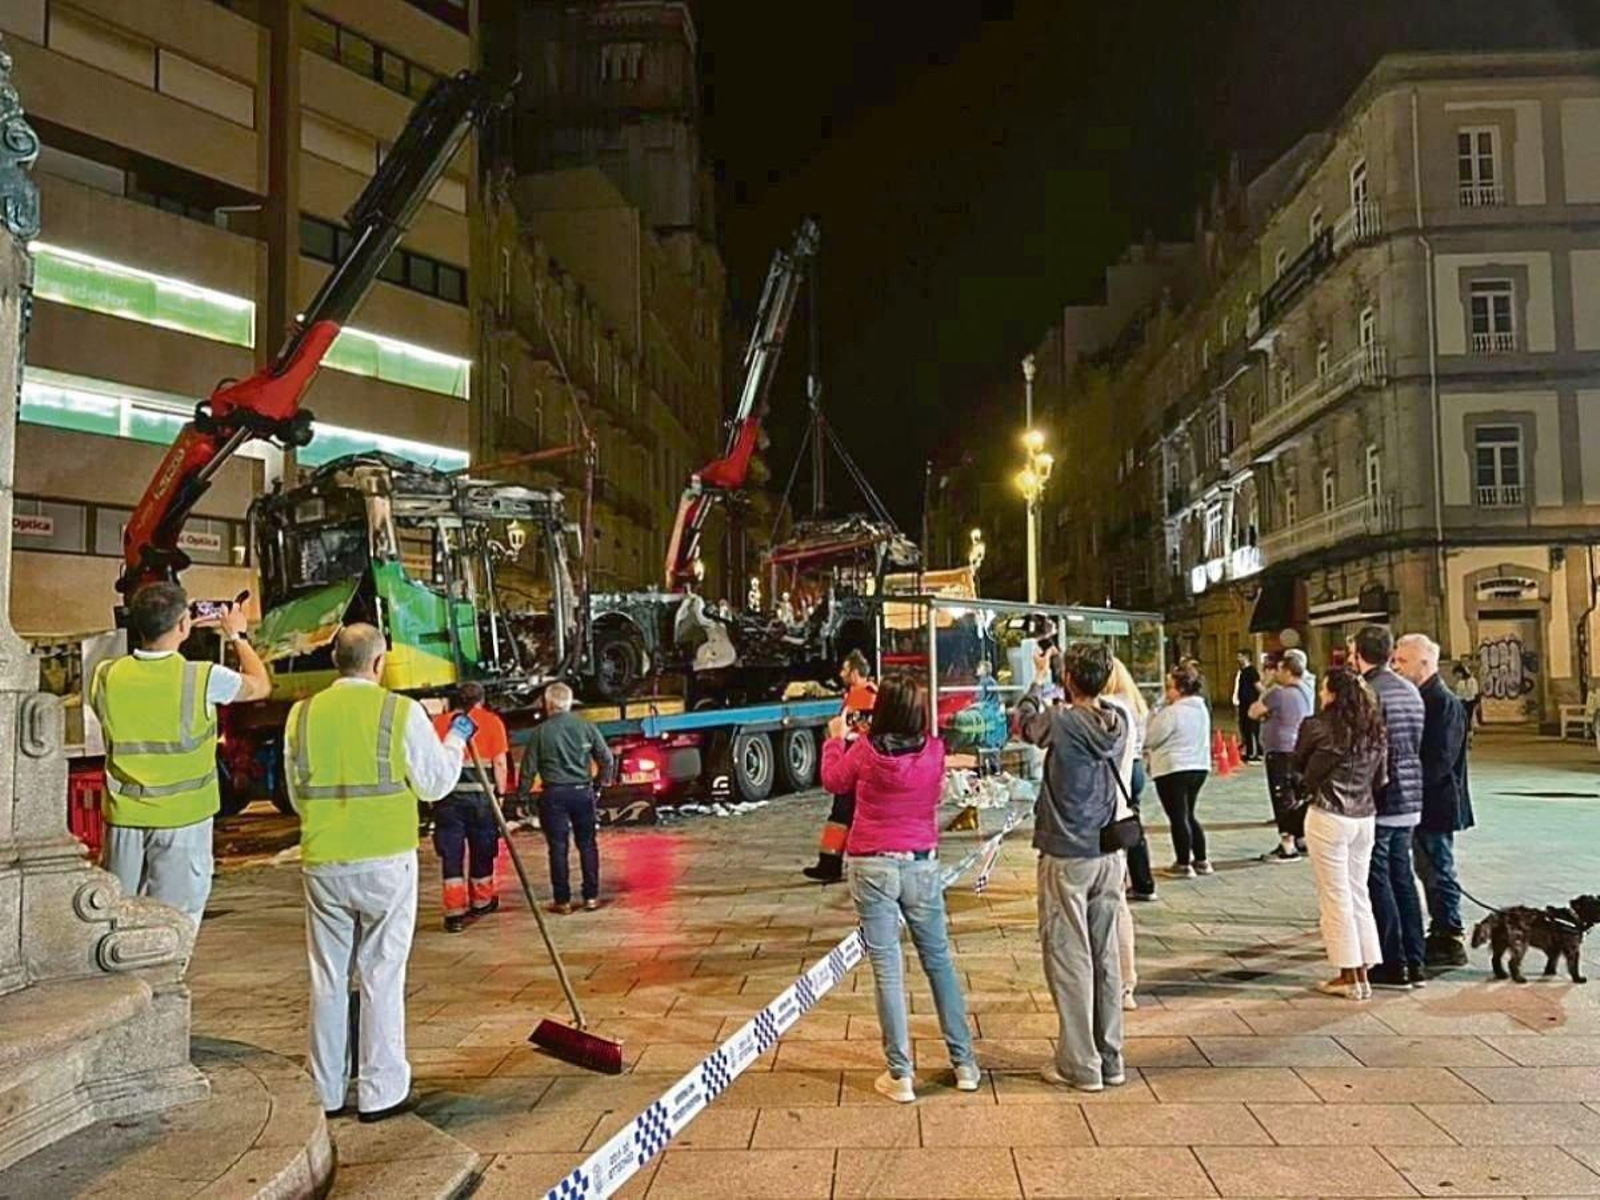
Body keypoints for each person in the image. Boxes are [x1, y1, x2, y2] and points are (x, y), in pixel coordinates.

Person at [285, 624, 467, 1122]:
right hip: (386, 860)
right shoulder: (399, 712)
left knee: (327, 978)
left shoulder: (300, 715)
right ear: (379, 662)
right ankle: (381, 1090)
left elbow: (298, 791)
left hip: (324, 860)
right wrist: (455, 742)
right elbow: (433, 785)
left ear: (335, 661)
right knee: (382, 973)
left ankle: (325, 1090)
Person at [820, 673, 979, 1103]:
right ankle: (964, 1064)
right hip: (922, 865)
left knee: (888, 971)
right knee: (939, 963)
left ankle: (901, 1075)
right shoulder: (935, 751)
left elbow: (834, 781)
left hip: (872, 864)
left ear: (884, 708)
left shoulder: (867, 752)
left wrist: (836, 739)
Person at [90, 582, 271, 935]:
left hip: (125, 819)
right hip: (183, 821)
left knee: (117, 922)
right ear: (184, 626)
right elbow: (260, 684)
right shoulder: (203, 678)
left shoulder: (106, 675)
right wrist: (237, 636)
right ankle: (164, 989)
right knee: (174, 923)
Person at [1021, 641, 1128, 1092]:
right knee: (1106, 956)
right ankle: (1110, 1057)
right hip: (1107, 851)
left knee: (1069, 956)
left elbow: (1025, 725)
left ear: (1069, 680)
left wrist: (1037, 678)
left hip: (1067, 853)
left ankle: (1080, 1065)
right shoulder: (1117, 721)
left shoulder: (1063, 723)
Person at [1295, 667, 1388, 1000]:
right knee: (1358, 893)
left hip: (1328, 814)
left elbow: (1301, 768)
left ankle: (1347, 975)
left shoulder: (1318, 726)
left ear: (1333, 694)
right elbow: (1381, 780)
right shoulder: (1375, 729)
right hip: (1365, 817)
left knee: (1334, 896)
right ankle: (1363, 972)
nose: (1320, 694)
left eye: (1323, 689)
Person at [1349, 625, 1427, 990]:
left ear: (1357, 654)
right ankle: (1416, 959)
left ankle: (1392, 962)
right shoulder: (1410, 689)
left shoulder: (1369, 692)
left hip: (1382, 797)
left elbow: (1368, 751)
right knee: (1403, 878)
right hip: (1411, 795)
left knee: (1377, 879)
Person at [1393, 634, 1474, 970]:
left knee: (1439, 868)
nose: (1396, 666)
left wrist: (1406, 784)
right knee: (1426, 868)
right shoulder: (1420, 697)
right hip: (1420, 800)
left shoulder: (1443, 703)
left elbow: (1440, 760)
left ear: (1424, 663)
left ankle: (1449, 935)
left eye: (1402, 661)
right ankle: (1439, 929)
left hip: (1436, 803)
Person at [515, 681, 614, 913]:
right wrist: (599, 785)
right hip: (582, 792)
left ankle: (563, 901)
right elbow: (606, 759)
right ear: (569, 703)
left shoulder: (540, 732)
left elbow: (528, 769)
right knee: (587, 844)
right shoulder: (586, 727)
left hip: (554, 795)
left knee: (558, 848)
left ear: (548, 704)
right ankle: (591, 897)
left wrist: (522, 797)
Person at [429, 683, 510, 933]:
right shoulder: (492, 722)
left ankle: (454, 912)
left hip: (448, 802)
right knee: (483, 849)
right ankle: (481, 901)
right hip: (481, 802)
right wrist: (501, 794)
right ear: (481, 700)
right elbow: (499, 763)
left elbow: (432, 762)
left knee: (451, 855)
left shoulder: (440, 724)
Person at [1099, 657, 1150, 1011]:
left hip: (1106, 798)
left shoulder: (1108, 710)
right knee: (1117, 902)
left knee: (1108, 902)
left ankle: (1117, 983)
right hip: (1131, 775)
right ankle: (1126, 983)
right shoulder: (1134, 704)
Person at [803, 650, 878, 882]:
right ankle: (831, 863)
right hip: (858, 759)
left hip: (854, 759)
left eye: (845, 669)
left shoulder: (862, 696)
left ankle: (831, 864)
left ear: (855, 672)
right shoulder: (863, 694)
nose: (841, 673)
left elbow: (858, 729)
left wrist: (837, 735)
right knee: (842, 813)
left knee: (841, 813)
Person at [1146, 663, 1213, 878]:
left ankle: (1183, 863)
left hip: (1173, 768)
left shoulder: (1172, 713)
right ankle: (1201, 859)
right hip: (1198, 766)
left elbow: (1151, 738)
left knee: (1178, 816)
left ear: (1180, 689)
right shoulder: (1201, 709)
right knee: (1189, 814)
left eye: (1170, 687)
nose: (1167, 692)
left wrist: (1155, 712)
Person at [1251, 652, 1314, 861]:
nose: (1275, 673)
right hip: (1300, 749)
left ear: (1287, 671)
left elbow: (1253, 712)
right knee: (1296, 795)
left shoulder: (1277, 693)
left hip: (1279, 750)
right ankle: (1302, 837)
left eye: (1278, 669)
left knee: (1282, 795)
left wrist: (1266, 688)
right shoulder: (1306, 690)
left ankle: (1287, 844)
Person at [1231, 650, 1263, 761]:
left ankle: (1253, 753)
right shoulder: (1241, 672)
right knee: (1244, 728)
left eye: (1240, 656)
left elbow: (1259, 687)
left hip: (1250, 704)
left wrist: (1261, 701)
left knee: (1251, 728)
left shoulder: (1251, 671)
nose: (1238, 658)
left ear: (1246, 657)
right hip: (1243, 704)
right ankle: (1250, 750)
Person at [1450, 663, 1481, 739]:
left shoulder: (1472, 681)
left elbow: (1475, 693)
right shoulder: (1460, 683)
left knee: (1469, 719)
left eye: (1457, 674)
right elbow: (1458, 695)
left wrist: (1476, 703)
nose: (1457, 676)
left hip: (1470, 702)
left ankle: (1469, 734)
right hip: (1463, 703)